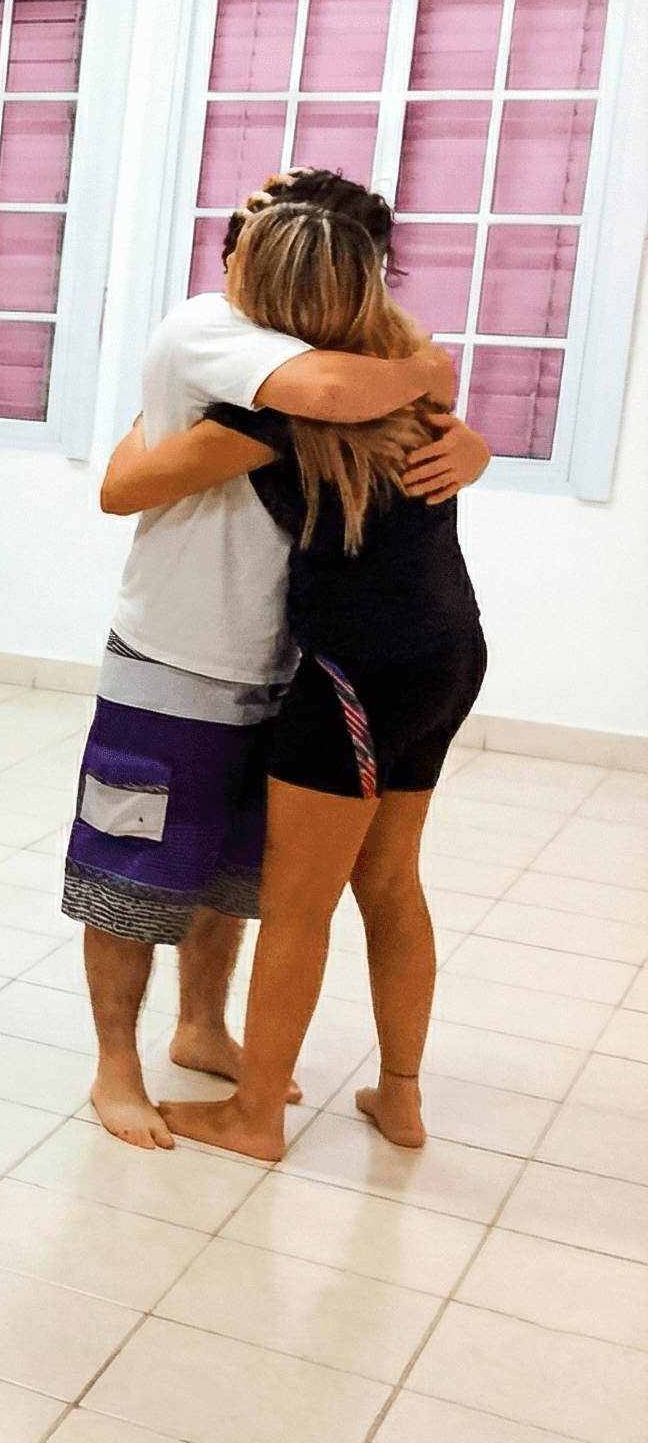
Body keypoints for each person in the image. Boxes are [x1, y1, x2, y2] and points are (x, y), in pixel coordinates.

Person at [64, 167, 485, 1151]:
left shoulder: (356, 367)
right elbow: (124, 485)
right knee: (130, 876)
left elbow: (384, 383)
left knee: (236, 878)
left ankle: (206, 1030)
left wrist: (465, 435)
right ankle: (115, 1066)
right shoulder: (218, 338)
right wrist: (434, 392)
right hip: (177, 658)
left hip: (298, 669)